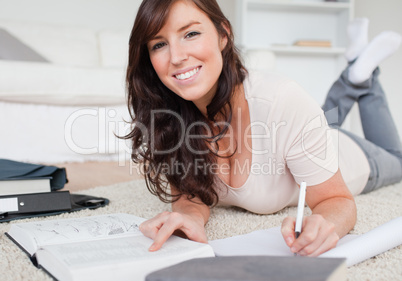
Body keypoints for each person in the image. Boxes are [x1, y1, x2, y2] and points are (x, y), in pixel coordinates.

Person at [125, 0, 402, 257]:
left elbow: (337, 199)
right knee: (315, 117)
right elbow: (190, 195)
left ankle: (362, 76)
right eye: (159, 44)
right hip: (302, 137)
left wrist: (327, 221)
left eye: (191, 34)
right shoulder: (169, 117)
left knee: (397, 157)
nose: (176, 57)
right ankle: (358, 72)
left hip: (355, 156)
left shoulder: (281, 99)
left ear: (224, 35)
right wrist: (190, 216)